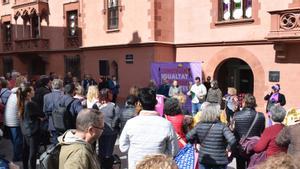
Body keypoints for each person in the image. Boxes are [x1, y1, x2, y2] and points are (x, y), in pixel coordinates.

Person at [119, 88, 179, 169]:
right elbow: (173, 151)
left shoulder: (131, 123)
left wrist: (136, 152)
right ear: (155, 103)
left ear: (139, 103)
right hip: (158, 166)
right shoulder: (166, 124)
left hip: (136, 165)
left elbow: (123, 147)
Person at [186, 103, 236, 169]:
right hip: (220, 159)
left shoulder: (199, 125)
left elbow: (188, 137)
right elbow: (232, 140)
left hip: (204, 158)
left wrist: (197, 141)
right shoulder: (222, 126)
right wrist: (228, 149)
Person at [232, 94, 265, 169]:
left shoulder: (236, 115)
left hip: (241, 145)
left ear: (244, 103)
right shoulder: (261, 116)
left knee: (240, 166)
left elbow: (234, 132)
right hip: (254, 146)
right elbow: (262, 131)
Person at [17, 83, 44, 169]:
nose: (34, 91)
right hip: (32, 131)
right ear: (28, 93)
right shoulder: (30, 104)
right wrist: (39, 118)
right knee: (32, 154)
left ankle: (25, 167)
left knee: (25, 151)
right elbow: (42, 114)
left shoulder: (21, 102)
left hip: (25, 130)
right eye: (32, 90)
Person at [93, 88, 120, 169]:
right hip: (111, 132)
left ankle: (102, 166)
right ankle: (107, 166)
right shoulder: (114, 106)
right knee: (108, 151)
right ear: (107, 95)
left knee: (101, 150)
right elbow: (117, 118)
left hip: (100, 131)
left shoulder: (95, 106)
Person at [4, 75, 27, 162]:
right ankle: (17, 158)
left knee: (15, 140)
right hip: (13, 121)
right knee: (18, 141)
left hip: (9, 120)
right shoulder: (18, 93)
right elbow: (22, 107)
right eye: (25, 82)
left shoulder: (13, 92)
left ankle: (17, 155)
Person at [43, 79, 64, 144]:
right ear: (61, 86)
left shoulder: (46, 96)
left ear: (52, 86)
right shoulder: (64, 96)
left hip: (51, 122)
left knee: (55, 142)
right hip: (63, 123)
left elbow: (45, 110)